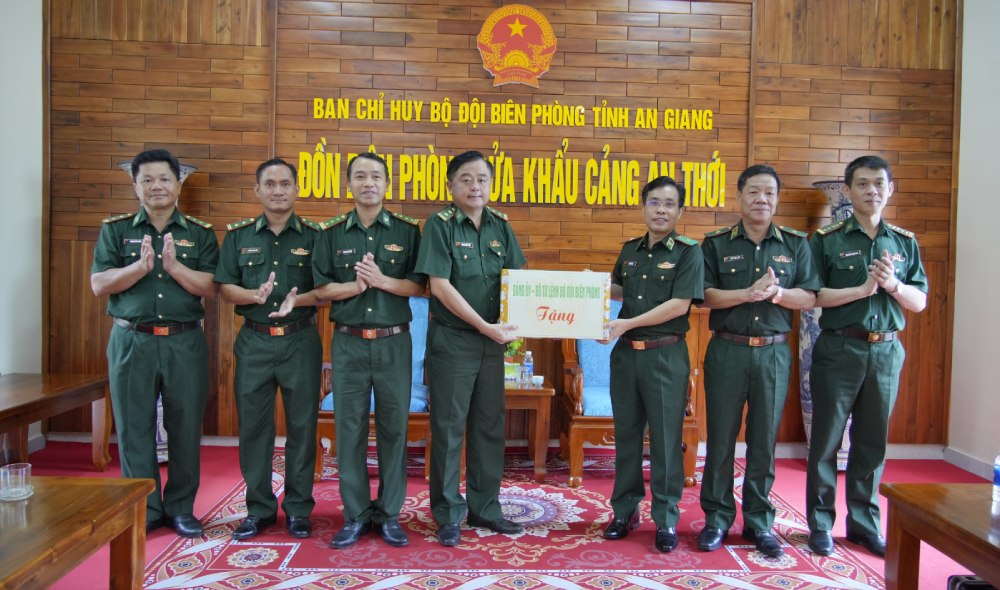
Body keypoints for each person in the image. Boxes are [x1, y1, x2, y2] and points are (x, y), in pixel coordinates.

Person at [90, 148, 218, 537]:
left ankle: (180, 508)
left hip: (184, 341)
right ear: (135, 186)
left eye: (164, 178)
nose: (156, 186)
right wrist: (138, 268)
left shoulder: (199, 233)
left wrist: (174, 267)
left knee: (185, 427)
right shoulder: (115, 230)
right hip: (132, 341)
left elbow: (211, 288)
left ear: (178, 183)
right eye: (147, 180)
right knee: (133, 429)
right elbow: (99, 284)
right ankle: (143, 507)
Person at [805, 155, 928, 558]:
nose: (871, 190)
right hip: (841, 346)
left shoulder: (904, 242)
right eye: (862, 184)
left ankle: (863, 525)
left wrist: (893, 285)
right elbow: (813, 296)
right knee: (826, 440)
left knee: (872, 442)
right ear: (849, 190)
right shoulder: (827, 239)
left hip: (887, 350)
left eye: (878, 183)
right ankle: (821, 524)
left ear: (890, 189)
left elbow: (919, 302)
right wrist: (860, 290)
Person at [697, 165, 820, 558]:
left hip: (773, 353)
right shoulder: (716, 244)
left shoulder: (796, 244)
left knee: (764, 440)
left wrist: (776, 294)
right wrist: (747, 293)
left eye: (769, 192)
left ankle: (759, 521)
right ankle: (717, 518)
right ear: (739, 196)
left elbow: (810, 296)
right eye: (753, 191)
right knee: (720, 439)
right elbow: (705, 295)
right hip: (727, 350)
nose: (761, 199)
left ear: (777, 199)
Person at [312, 152, 426, 549]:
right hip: (348, 343)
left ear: (387, 183)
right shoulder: (330, 233)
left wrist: (381, 280)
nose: (368, 183)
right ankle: (356, 514)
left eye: (376, 176)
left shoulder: (408, 232)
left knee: (395, 428)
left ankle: (389, 513)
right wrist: (355, 287)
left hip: (394, 341)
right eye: (360, 176)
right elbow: (321, 289)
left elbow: (419, 286)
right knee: (350, 429)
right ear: (349, 184)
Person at [414, 150, 526, 547]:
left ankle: (486, 507)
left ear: (491, 185)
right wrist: (484, 326)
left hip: (492, 344)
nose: (475, 186)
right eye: (466, 179)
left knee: (489, 426)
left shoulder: (501, 226)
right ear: (450, 185)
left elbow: (516, 280)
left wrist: (521, 323)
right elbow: (439, 286)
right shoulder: (439, 226)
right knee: (448, 428)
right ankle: (447, 513)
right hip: (453, 341)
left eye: (482, 179)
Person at [215, 158, 323, 541]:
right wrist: (252, 295)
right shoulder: (239, 236)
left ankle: (298, 509)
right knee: (254, 428)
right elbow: (225, 288)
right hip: (255, 340)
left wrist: (301, 299)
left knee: (302, 427)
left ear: (297, 189)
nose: (278, 191)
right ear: (257, 190)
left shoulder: (315, 237)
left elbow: (325, 290)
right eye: (270, 184)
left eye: (285, 184)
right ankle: (258, 509)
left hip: (300, 340)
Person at [600, 176, 704, 553]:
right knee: (626, 437)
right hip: (626, 356)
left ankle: (666, 518)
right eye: (654, 202)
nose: (661, 210)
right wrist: (591, 287)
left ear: (680, 211)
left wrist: (626, 323)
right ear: (643, 206)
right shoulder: (630, 249)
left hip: (665, 355)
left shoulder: (689, 253)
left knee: (664, 440)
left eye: (669, 204)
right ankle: (624, 511)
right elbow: (620, 289)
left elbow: (679, 304)